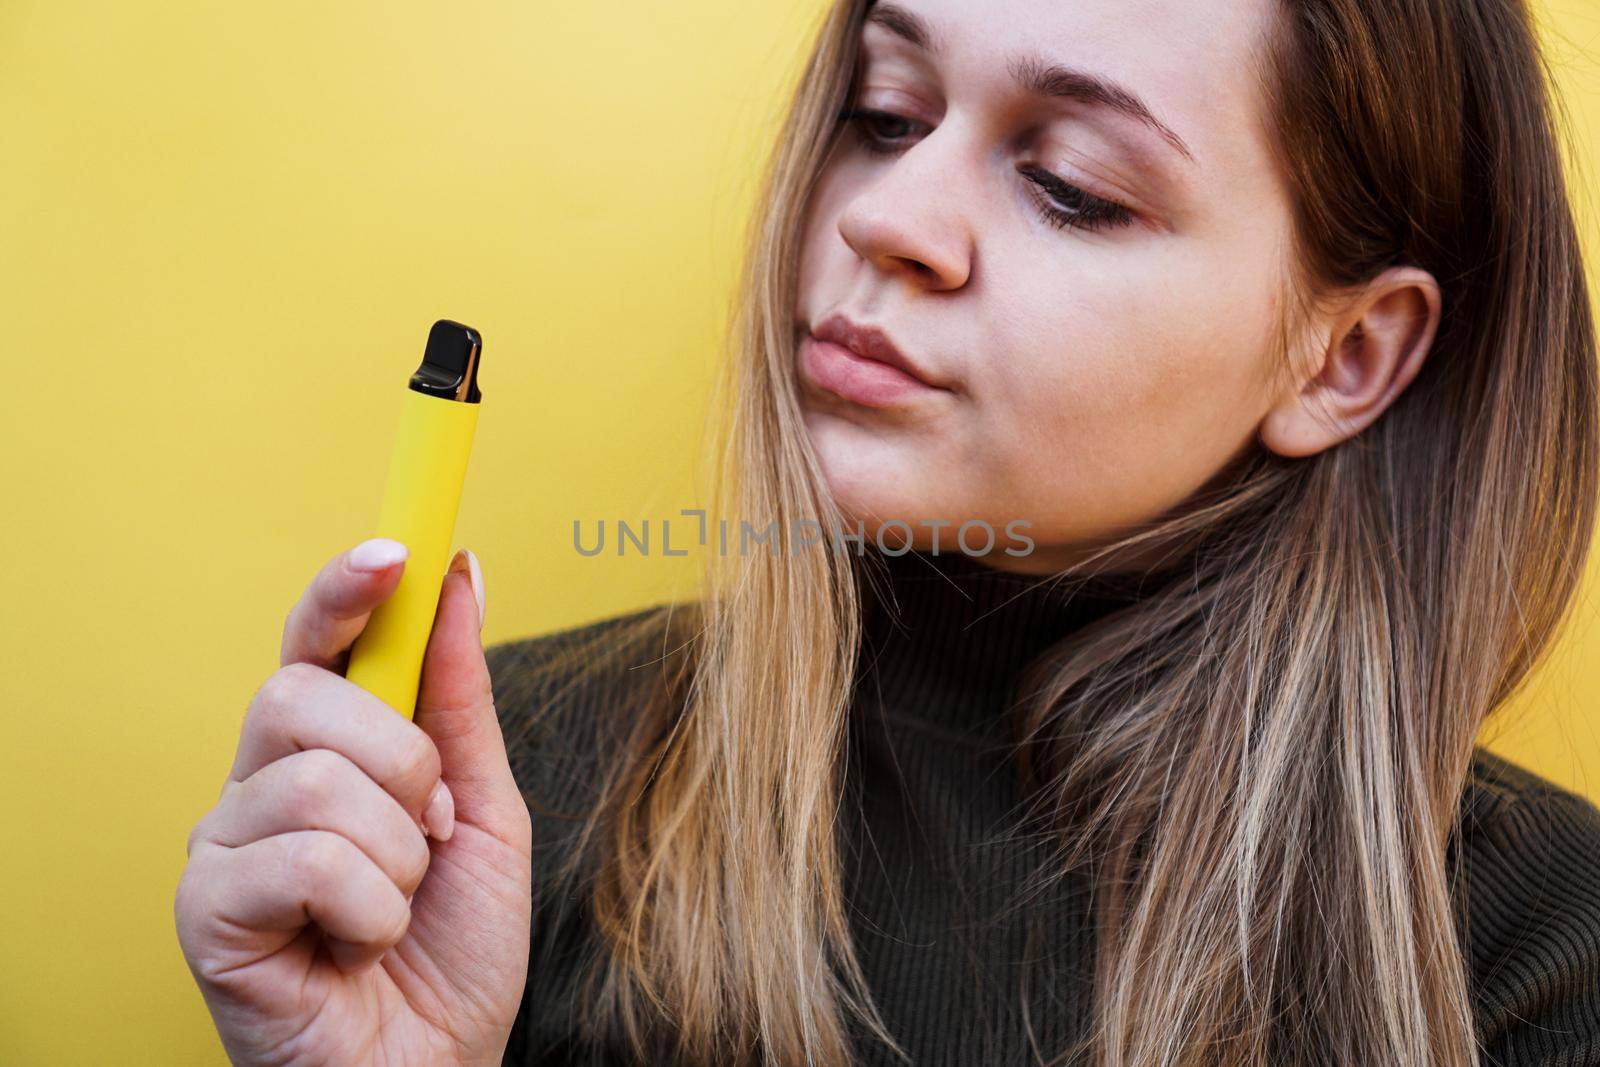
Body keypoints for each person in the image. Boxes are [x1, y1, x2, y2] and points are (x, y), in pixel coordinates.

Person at [175, 0, 1600, 1063]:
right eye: (884, 110)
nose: (885, 216)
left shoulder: (1544, 954)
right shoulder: (492, 813)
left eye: (1072, 186)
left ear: (1344, 357)